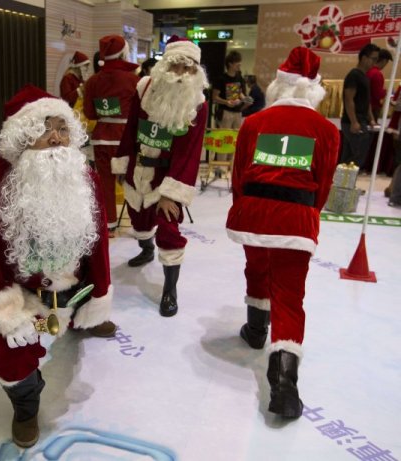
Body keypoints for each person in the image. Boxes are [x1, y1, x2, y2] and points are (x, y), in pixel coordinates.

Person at [0, 84, 116, 448]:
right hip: (24, 295)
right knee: (13, 358)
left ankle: (78, 318)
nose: (58, 139)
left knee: (76, 314)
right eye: (46, 129)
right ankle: (26, 407)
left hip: (75, 285)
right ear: (23, 135)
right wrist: (7, 310)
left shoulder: (85, 174)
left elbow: (98, 240)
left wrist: (101, 291)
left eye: (63, 128)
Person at [226, 47, 339, 419]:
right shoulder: (325, 130)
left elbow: (239, 173)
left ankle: (256, 329)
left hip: (254, 212)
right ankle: (285, 386)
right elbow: (322, 185)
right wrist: (307, 214)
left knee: (256, 269)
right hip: (296, 218)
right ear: (314, 89)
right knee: (290, 296)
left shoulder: (254, 123)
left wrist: (244, 206)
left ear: (279, 85)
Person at [112, 36, 209, 317]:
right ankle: (145, 249)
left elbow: (189, 152)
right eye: (175, 66)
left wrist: (170, 194)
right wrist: (123, 165)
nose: (180, 75)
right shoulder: (144, 89)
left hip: (168, 177)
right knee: (139, 218)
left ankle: (169, 289)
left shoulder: (198, 104)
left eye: (188, 69)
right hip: (138, 167)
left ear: (196, 72)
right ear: (165, 65)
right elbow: (131, 129)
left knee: (169, 230)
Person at [83, 35, 139, 237]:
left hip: (101, 138)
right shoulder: (134, 80)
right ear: (123, 52)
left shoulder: (92, 81)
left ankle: (110, 225)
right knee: (132, 181)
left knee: (105, 182)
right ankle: (138, 223)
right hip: (126, 138)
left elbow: (89, 113)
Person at [340, 43, 379, 168]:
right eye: (373, 59)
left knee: (351, 155)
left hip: (361, 120)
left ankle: (343, 185)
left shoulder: (364, 77)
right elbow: (348, 98)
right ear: (364, 58)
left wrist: (371, 119)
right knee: (357, 156)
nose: (375, 62)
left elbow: (366, 101)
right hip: (354, 121)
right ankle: (344, 184)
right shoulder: (354, 75)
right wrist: (354, 121)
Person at [212, 50, 250, 128]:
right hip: (226, 112)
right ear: (230, 64)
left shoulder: (239, 77)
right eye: (237, 62)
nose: (240, 64)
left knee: (236, 136)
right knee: (225, 135)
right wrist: (226, 102)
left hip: (238, 112)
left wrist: (245, 99)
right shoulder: (221, 79)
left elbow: (239, 92)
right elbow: (214, 97)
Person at [366, 48, 392, 119]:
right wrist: (385, 92)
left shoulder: (368, 70)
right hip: (372, 108)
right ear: (384, 61)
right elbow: (378, 94)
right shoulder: (377, 74)